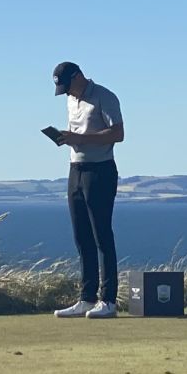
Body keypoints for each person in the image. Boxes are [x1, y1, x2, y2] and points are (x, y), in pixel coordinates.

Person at [48, 62, 125, 319]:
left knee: (102, 235)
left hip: (100, 171)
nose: (67, 93)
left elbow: (118, 133)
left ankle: (109, 301)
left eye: (67, 86)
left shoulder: (105, 96)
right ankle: (87, 298)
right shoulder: (71, 101)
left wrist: (81, 139)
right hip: (75, 170)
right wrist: (68, 139)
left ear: (79, 77)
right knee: (81, 236)